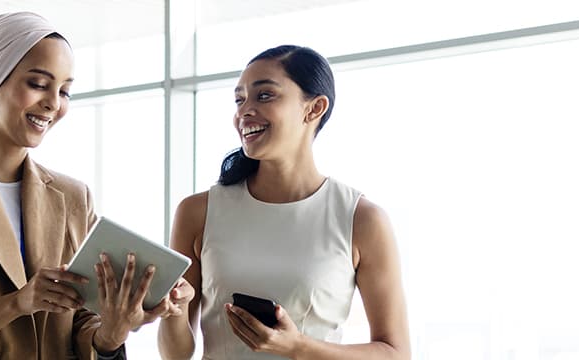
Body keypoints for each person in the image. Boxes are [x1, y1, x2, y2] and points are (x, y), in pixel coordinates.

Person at [0, 12, 183, 360]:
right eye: (39, 84)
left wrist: (112, 331)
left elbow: (81, 324)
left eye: (64, 91)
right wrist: (17, 303)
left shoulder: (73, 196)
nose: (53, 103)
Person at [155, 45, 411, 360]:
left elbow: (396, 353)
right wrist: (175, 311)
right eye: (239, 100)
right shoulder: (198, 212)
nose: (244, 111)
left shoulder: (361, 219)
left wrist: (297, 347)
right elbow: (175, 355)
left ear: (314, 109)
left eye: (264, 96)